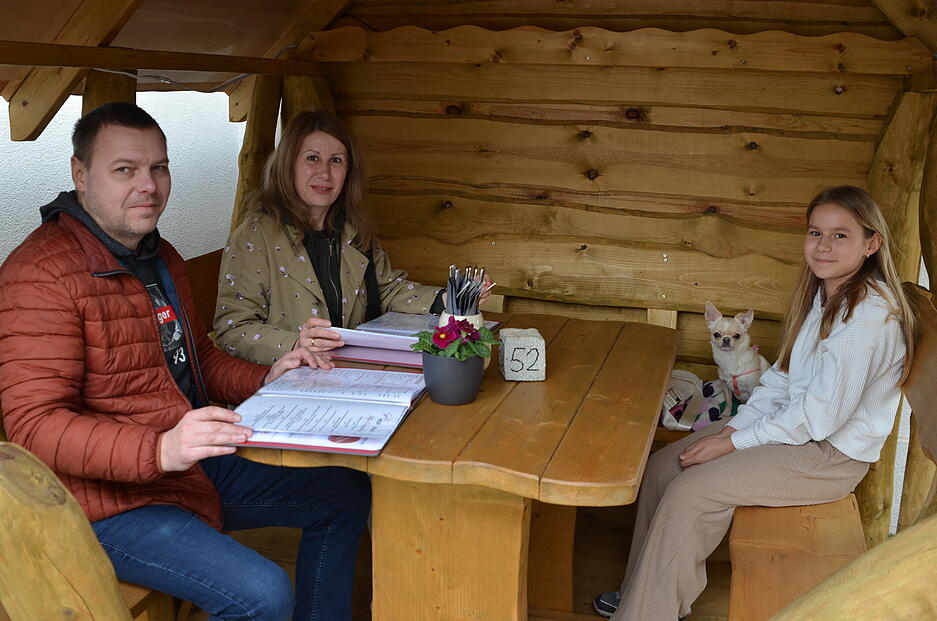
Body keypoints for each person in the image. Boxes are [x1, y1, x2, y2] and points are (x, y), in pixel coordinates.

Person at [0, 103, 370, 621]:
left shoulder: (159, 255)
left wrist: (270, 373)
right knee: (261, 593)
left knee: (344, 492)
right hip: (103, 505)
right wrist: (159, 448)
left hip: (183, 468)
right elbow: (34, 427)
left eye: (159, 167)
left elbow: (201, 359)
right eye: (125, 169)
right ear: (80, 175)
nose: (147, 185)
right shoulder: (41, 273)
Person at [592, 185, 916, 620]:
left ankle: (646, 614)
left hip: (829, 454)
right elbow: (782, 379)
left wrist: (732, 444)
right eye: (815, 232)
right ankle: (644, 598)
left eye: (841, 235)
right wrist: (732, 428)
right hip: (794, 430)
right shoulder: (825, 295)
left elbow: (819, 419)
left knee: (691, 492)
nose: (823, 246)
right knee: (663, 468)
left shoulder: (868, 319)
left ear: (871, 243)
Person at [213, 110, 491, 364]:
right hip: (289, 386)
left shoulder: (351, 230)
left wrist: (452, 298)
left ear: (348, 173)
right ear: (288, 165)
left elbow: (387, 289)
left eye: (336, 160)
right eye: (312, 158)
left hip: (348, 372)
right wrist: (295, 343)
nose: (324, 172)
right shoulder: (255, 235)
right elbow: (232, 330)